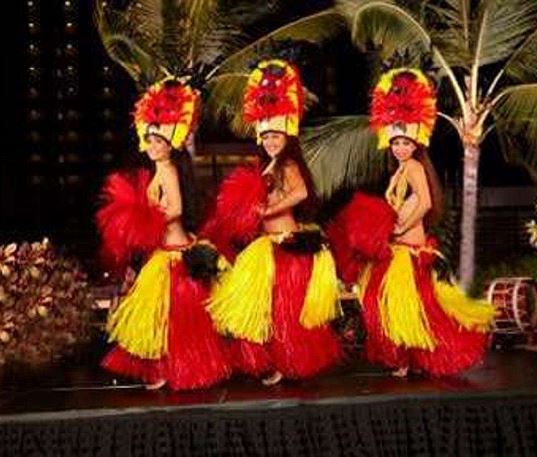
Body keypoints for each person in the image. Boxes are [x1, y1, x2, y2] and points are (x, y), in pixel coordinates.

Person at [328, 68, 494, 377]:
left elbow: (426, 202)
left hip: (412, 252)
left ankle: (418, 358)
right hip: (398, 251)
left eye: (405, 142)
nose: (400, 148)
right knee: (399, 309)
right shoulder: (400, 170)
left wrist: (401, 228)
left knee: (413, 310)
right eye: (396, 143)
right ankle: (407, 360)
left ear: (416, 143)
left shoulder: (415, 167)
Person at [201, 59, 342, 385]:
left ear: (286, 136)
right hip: (266, 247)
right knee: (266, 309)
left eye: (276, 136)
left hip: (286, 244)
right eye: (266, 137)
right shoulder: (266, 165)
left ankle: (288, 363)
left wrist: (267, 210)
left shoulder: (287, 164)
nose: (271, 142)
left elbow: (301, 192)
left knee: (283, 310)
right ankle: (278, 362)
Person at [97, 79, 231, 390]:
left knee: (176, 318)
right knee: (160, 315)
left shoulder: (168, 170)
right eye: (150, 139)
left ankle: (178, 369)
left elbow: (177, 209)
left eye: (159, 141)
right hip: (163, 249)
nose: (153, 146)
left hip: (175, 250)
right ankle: (162, 368)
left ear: (170, 144)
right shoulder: (158, 170)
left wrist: (149, 220)